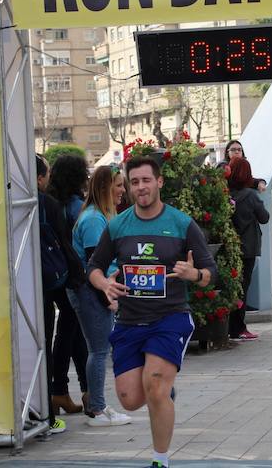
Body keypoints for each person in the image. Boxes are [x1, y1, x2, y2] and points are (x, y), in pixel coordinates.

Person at [89, 156, 217, 468]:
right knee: (130, 400)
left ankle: (160, 460)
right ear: (129, 187)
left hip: (169, 317)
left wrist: (193, 275)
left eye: (146, 180)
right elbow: (92, 266)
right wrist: (105, 284)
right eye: (134, 182)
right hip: (130, 320)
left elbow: (211, 272)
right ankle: (163, 395)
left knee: (156, 383)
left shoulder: (181, 224)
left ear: (159, 182)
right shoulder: (118, 225)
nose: (141, 187)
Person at [69, 165, 133, 427]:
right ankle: (97, 409)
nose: (123, 190)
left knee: (97, 349)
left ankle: (97, 405)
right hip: (91, 293)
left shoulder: (98, 216)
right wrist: (108, 296)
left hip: (93, 292)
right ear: (106, 187)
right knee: (98, 349)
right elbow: (96, 265)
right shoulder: (95, 219)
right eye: (118, 185)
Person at [36, 154, 82, 434]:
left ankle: (53, 396)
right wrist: (77, 275)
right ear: (40, 177)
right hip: (54, 278)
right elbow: (65, 244)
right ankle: (56, 397)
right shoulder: (52, 205)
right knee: (64, 329)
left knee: (43, 337)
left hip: (31, 281)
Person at [45, 154, 92, 416]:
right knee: (71, 332)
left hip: (52, 274)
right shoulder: (76, 207)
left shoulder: (52, 203)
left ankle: (62, 390)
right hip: (71, 274)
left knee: (69, 331)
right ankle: (71, 389)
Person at [227, 156, 270, 341]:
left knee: (231, 287)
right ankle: (238, 328)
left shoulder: (225, 194)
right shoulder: (250, 195)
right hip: (248, 247)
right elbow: (264, 217)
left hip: (229, 247)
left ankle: (230, 326)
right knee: (243, 288)